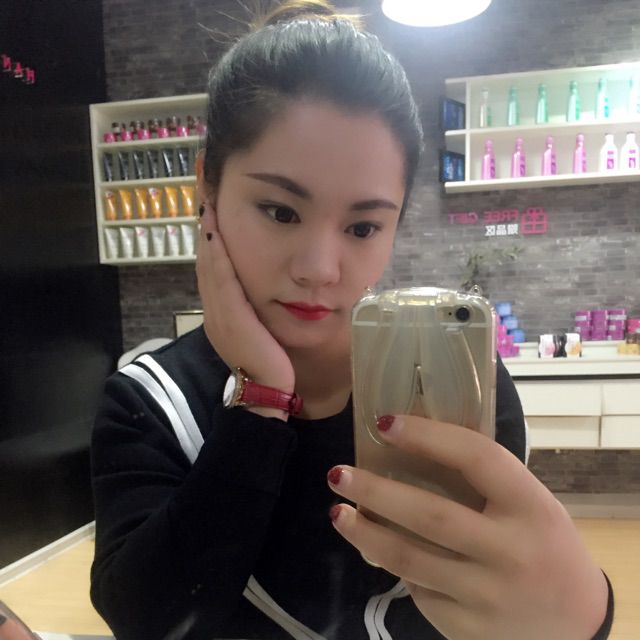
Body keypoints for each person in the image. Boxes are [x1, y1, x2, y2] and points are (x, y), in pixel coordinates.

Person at [90, 2, 614, 639]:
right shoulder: (151, 403)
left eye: (363, 227)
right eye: (280, 211)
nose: (319, 269)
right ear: (209, 189)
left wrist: (581, 614)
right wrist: (261, 398)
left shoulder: (460, 380)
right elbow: (145, 621)